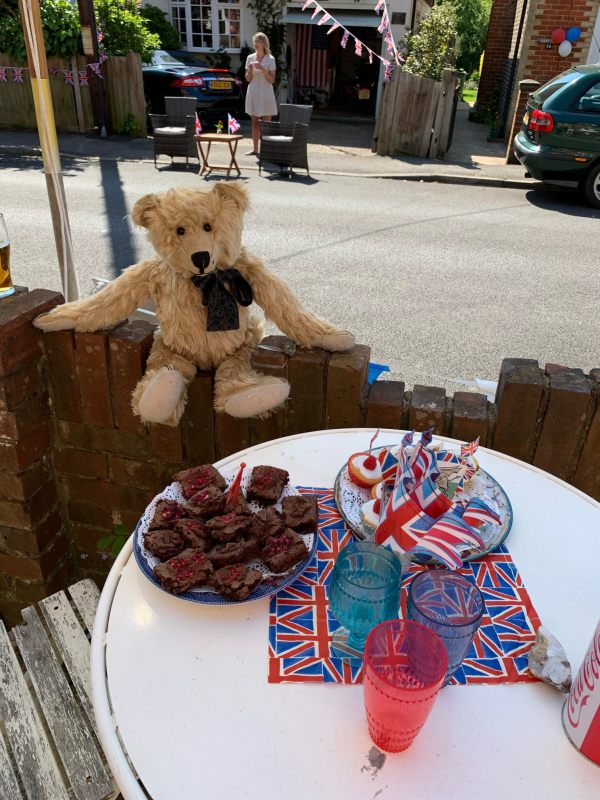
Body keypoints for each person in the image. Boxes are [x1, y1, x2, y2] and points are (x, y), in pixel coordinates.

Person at [244, 32, 277, 156]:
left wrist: (262, 69)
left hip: (266, 93)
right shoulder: (250, 58)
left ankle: (267, 150)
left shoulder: (270, 59)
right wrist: (250, 71)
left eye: (258, 42)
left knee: (266, 124)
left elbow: (272, 80)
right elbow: (247, 79)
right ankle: (255, 149)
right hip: (253, 92)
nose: (256, 44)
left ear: (264, 43)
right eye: (255, 42)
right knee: (255, 122)